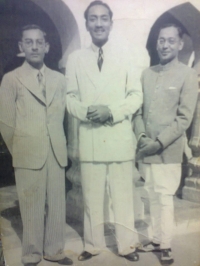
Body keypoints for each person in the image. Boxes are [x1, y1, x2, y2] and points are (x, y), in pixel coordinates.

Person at [66, 0, 143, 262]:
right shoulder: (76, 59)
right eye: (93, 19)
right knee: (91, 198)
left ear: (111, 22)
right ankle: (93, 244)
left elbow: (135, 97)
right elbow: (70, 98)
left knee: (122, 196)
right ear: (86, 24)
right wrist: (89, 111)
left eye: (103, 18)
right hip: (91, 138)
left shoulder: (126, 56)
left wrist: (110, 111)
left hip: (119, 137)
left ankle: (127, 245)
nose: (98, 23)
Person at [0, 25, 72, 266]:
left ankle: (54, 250)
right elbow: (6, 122)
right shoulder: (11, 79)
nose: (34, 46)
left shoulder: (59, 79)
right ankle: (31, 254)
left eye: (38, 42)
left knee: (56, 204)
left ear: (46, 47)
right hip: (26, 152)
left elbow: (63, 117)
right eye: (28, 42)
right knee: (31, 205)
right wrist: (21, 148)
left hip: (56, 152)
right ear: (21, 47)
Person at [134, 23, 198, 264]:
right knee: (150, 194)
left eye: (171, 40)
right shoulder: (147, 74)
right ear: (156, 42)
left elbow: (184, 119)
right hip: (145, 148)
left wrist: (158, 143)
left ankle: (167, 244)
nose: (165, 45)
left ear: (180, 44)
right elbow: (138, 112)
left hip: (167, 151)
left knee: (164, 196)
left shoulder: (188, 75)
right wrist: (141, 138)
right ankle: (156, 238)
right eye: (162, 40)